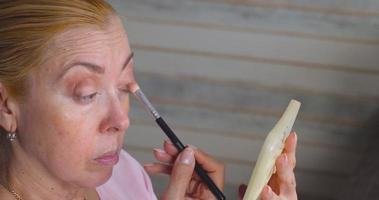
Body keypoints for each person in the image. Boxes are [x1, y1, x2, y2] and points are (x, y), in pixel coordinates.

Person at [0, 0, 298, 199]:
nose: (122, 120)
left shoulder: (124, 174)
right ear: (5, 106)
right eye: (88, 93)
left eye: (125, 85)